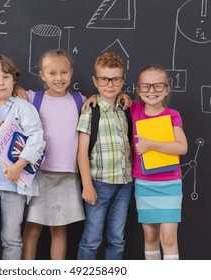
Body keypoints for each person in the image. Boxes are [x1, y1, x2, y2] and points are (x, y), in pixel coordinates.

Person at [0, 49, 89, 260]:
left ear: (71, 73)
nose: (58, 78)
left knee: (60, 230)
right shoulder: (32, 98)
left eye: (63, 72)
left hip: (68, 175)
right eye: (52, 73)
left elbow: (100, 100)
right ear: (42, 75)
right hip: (38, 174)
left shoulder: (81, 100)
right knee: (32, 228)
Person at [0, 54, 45, 260]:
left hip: (13, 184)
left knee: (12, 239)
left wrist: (19, 165)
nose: (1, 83)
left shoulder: (23, 107)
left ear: (14, 79)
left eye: (5, 77)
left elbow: (37, 138)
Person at [76, 51, 133, 260]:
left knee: (117, 238)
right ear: (95, 80)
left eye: (115, 79)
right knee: (92, 238)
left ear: (123, 80)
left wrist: (124, 97)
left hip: (124, 183)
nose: (110, 84)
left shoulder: (126, 108)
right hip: (99, 183)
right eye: (104, 79)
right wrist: (87, 185)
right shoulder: (91, 111)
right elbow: (81, 152)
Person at [131, 65, 187, 260]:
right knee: (151, 236)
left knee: (169, 238)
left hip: (169, 184)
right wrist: (95, 97)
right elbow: (111, 96)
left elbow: (182, 147)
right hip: (144, 184)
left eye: (158, 86)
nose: (151, 91)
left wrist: (150, 145)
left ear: (167, 89)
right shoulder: (134, 109)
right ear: (138, 89)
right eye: (146, 86)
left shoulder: (172, 115)